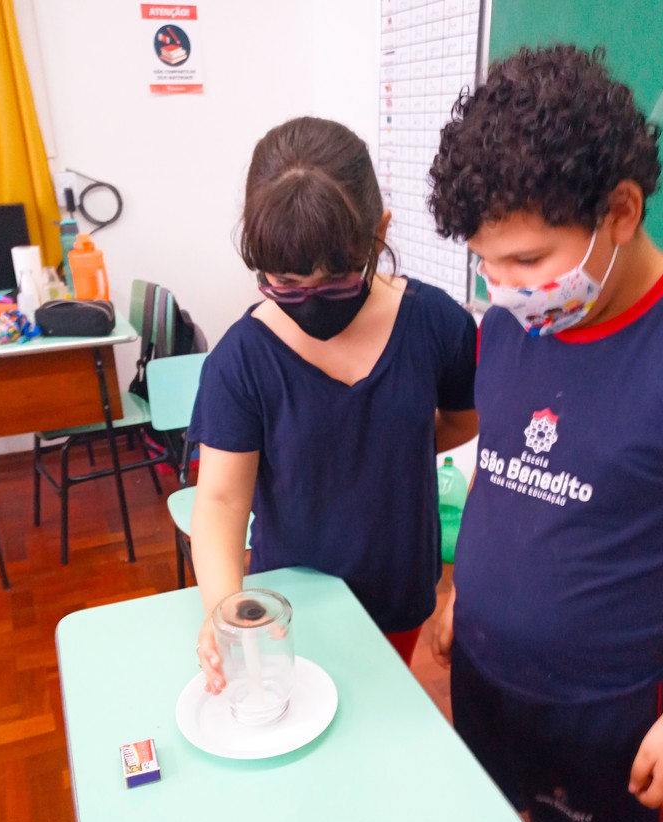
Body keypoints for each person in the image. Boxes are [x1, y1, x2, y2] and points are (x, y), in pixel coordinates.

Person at [404, 44, 663, 822]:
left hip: (608, 705)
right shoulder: (511, 324)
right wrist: (458, 595)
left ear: (619, 212)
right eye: (487, 263)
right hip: (488, 669)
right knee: (476, 808)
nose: (504, 287)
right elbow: (502, 475)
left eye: (528, 260)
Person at [188, 116, 478, 691]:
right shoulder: (242, 361)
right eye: (286, 285)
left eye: (336, 282)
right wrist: (223, 610)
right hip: (288, 611)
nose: (312, 302)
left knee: (382, 707)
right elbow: (220, 502)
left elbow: (464, 418)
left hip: (399, 593)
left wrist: (393, 446)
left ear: (379, 232)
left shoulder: (436, 325)